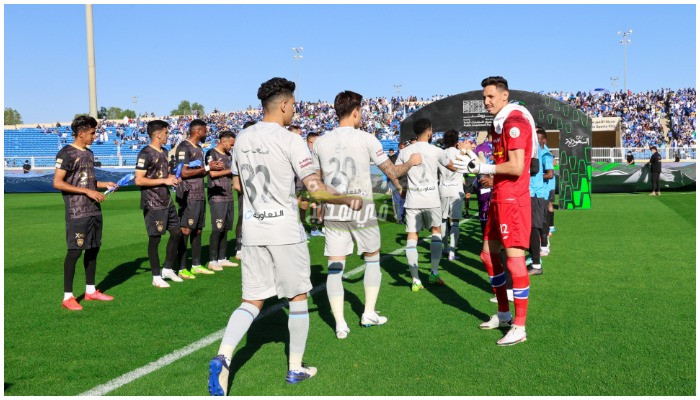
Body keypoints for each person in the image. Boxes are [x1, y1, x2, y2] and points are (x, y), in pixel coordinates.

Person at [208, 77, 362, 395]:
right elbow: (315, 187)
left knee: (252, 300)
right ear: (283, 104)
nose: (294, 110)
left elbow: (237, 186)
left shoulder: (242, 138)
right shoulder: (290, 139)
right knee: (297, 298)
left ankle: (223, 357)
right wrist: (347, 198)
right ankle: (295, 368)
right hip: (284, 231)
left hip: (252, 231)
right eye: (293, 104)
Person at [311, 90, 421, 339]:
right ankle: (368, 313)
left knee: (335, 268)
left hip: (335, 209)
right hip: (363, 209)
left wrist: (320, 205)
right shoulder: (367, 139)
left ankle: (340, 324)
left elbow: (314, 182)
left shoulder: (320, 142)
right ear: (356, 111)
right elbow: (392, 170)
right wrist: (412, 162)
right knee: (372, 259)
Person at [453, 76, 535, 346]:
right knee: (488, 255)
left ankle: (520, 327)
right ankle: (503, 314)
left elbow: (516, 167)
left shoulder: (514, 122)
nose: (486, 102)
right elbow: (500, 165)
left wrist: (483, 169)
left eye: (490, 97)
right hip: (499, 196)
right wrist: (475, 162)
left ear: (504, 96)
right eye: (484, 97)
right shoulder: (499, 123)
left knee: (514, 259)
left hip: (513, 200)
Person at [53, 115, 116, 311]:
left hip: (94, 211)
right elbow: (57, 182)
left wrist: (104, 184)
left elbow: (88, 181)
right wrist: (87, 191)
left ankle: (90, 291)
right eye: (92, 132)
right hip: (77, 211)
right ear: (81, 133)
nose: (95, 136)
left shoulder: (89, 153)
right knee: (74, 252)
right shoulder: (66, 153)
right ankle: (68, 296)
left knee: (93, 249)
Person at [397, 117, 458, 291]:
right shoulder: (436, 150)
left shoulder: (405, 151)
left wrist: (401, 188)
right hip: (432, 198)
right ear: (429, 131)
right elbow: (453, 166)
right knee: (436, 232)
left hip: (413, 199)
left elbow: (395, 173)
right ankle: (433, 272)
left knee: (412, 236)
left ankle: (415, 280)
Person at [134, 120, 183, 288]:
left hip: (166, 200)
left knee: (177, 233)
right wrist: (165, 180)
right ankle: (156, 276)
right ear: (158, 134)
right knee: (155, 239)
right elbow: (139, 180)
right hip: (153, 202)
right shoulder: (145, 153)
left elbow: (165, 174)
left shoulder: (164, 151)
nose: (168, 136)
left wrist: (173, 179)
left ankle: (167, 268)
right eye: (166, 133)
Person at [175, 119, 225, 279]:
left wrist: (211, 168)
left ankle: (196, 265)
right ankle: (182, 268)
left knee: (197, 230)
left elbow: (200, 171)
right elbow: (183, 173)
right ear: (198, 131)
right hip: (188, 194)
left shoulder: (199, 148)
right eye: (205, 131)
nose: (206, 133)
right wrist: (208, 168)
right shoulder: (184, 147)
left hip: (199, 193)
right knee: (186, 229)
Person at [205, 131, 239, 271]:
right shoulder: (211, 153)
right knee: (217, 229)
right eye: (231, 144)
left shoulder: (229, 155)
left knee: (225, 228)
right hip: (217, 196)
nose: (231, 147)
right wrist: (230, 170)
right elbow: (212, 173)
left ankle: (222, 258)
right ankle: (212, 260)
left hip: (228, 195)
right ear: (223, 141)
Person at [527, 127, 554, 276]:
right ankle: (535, 257)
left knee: (535, 226)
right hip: (533, 192)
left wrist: (533, 177)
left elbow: (550, 174)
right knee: (534, 225)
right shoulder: (534, 151)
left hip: (538, 193)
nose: (536, 139)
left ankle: (537, 262)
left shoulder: (545, 154)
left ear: (543, 140)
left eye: (538, 137)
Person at [438, 130, 468, 261]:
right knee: (455, 222)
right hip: (456, 189)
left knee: (443, 220)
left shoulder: (440, 154)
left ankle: (444, 247)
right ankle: (452, 252)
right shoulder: (460, 154)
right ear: (456, 141)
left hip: (443, 188)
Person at [233, 120, 257, 259]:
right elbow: (235, 174)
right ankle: (239, 248)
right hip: (244, 190)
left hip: (259, 190)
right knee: (243, 217)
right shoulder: (240, 149)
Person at [305, 132, 324, 237]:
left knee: (318, 205)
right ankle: (312, 228)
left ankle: (315, 228)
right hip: (310, 183)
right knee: (312, 205)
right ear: (311, 141)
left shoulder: (315, 153)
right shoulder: (307, 153)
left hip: (318, 182)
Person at [390, 142, 408, 223]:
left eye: (403, 148)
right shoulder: (392, 158)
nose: (402, 150)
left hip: (406, 181)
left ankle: (402, 216)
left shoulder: (408, 157)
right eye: (401, 148)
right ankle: (399, 218)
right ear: (398, 148)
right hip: (395, 181)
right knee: (397, 200)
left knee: (404, 200)